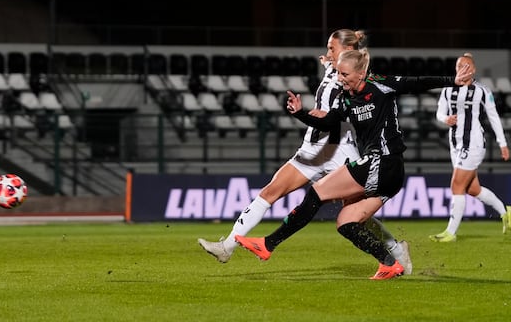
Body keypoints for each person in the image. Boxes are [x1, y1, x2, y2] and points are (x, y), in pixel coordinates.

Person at [235, 48, 472, 279]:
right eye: (337, 73)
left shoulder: (379, 83)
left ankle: (268, 244)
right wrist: (300, 114)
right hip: (385, 171)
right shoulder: (344, 98)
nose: (340, 78)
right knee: (346, 223)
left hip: (385, 161)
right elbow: (328, 123)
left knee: (317, 193)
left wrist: (453, 80)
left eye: (344, 74)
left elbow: (416, 82)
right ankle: (389, 264)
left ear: (361, 73)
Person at [197, 29, 412, 274]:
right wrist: (326, 68)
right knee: (271, 190)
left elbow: (347, 105)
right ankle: (227, 246)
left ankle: (394, 250)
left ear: (348, 52)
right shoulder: (333, 69)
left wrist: (321, 113)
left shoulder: (354, 76)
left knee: (352, 213)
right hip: (312, 148)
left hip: (340, 150)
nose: (327, 52)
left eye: (332, 48)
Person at [429, 53, 511, 242]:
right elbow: (439, 113)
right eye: (459, 67)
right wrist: (446, 119)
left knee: (456, 185)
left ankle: (450, 232)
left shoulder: (482, 91)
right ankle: (505, 211)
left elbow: (493, 116)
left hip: (473, 143)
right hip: (455, 144)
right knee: (473, 189)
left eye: (466, 66)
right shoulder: (448, 89)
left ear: (473, 70)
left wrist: (502, 143)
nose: (462, 70)